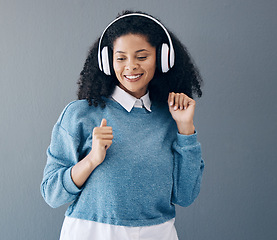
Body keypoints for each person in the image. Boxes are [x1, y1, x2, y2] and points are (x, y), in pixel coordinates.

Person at [40, 10, 204, 240]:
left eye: (142, 56)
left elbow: (185, 196)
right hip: (92, 233)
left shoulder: (171, 118)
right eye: (121, 58)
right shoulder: (80, 115)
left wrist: (186, 129)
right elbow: (52, 194)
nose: (131, 66)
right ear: (107, 62)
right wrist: (91, 160)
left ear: (163, 58)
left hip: (156, 233)